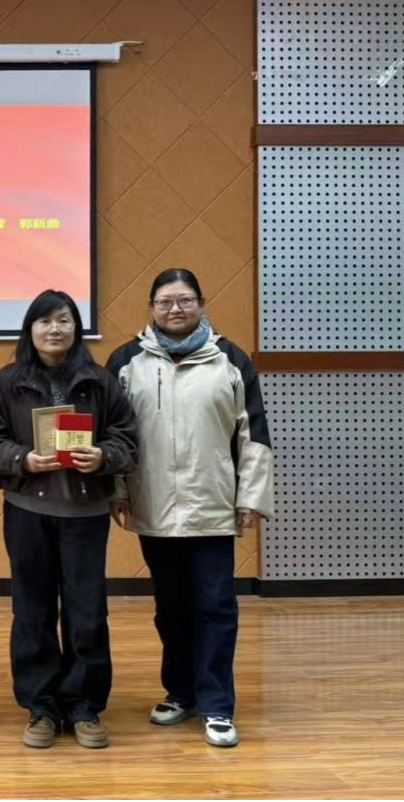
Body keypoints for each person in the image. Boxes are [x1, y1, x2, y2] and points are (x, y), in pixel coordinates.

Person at [106, 268, 273, 748]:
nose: (174, 309)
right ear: (151, 308)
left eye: (184, 300)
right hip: (154, 504)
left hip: (212, 504)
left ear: (201, 303)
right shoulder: (127, 361)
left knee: (216, 607)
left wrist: (251, 497)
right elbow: (112, 433)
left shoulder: (230, 359)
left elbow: (253, 433)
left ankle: (217, 704)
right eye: (164, 302)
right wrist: (117, 489)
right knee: (171, 608)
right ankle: (180, 692)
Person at [0, 290, 138, 749]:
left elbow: (127, 438)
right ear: (30, 329)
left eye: (64, 320)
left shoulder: (101, 382)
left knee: (87, 612)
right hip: (28, 511)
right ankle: (42, 706)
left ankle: (84, 705)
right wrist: (23, 459)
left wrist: (103, 456)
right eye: (44, 321)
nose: (54, 329)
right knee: (33, 610)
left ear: (76, 329)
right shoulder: (6, 383)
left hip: (86, 514)